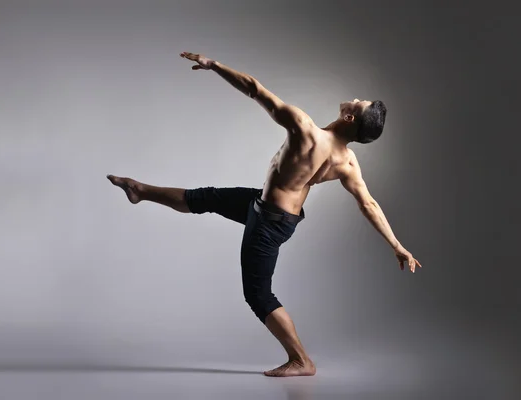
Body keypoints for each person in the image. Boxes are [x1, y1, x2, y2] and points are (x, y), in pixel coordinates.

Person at [107, 52, 422, 377]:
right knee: (206, 198)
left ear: (350, 118)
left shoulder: (305, 130)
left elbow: (254, 89)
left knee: (257, 294)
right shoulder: (348, 162)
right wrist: (396, 245)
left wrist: (213, 66)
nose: (355, 98)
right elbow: (368, 203)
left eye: (359, 103)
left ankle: (301, 360)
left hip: (269, 221)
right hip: (275, 212)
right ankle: (140, 191)